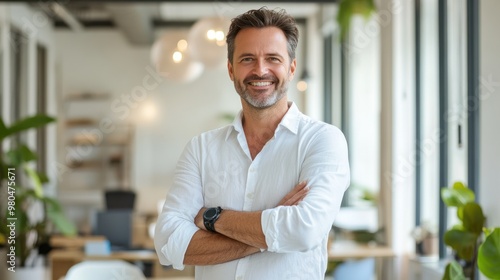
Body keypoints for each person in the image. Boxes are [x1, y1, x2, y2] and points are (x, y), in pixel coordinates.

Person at [154, 7, 350, 280]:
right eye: (248, 59)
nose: (260, 70)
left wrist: (213, 219)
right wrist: (274, 225)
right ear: (231, 70)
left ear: (291, 68)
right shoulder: (201, 149)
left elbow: (304, 230)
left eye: (273, 58)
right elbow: (168, 243)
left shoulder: (322, 140)